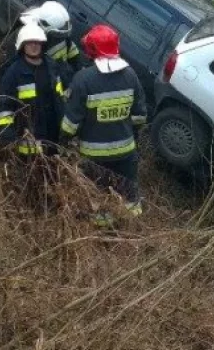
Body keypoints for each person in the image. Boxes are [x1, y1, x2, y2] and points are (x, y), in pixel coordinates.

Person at [60, 24, 148, 216]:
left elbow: (70, 124)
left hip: (94, 155)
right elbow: (140, 116)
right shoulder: (131, 75)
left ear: (91, 49)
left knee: (98, 199)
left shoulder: (83, 79)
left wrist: (62, 142)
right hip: (126, 153)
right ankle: (133, 232)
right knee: (130, 198)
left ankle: (104, 233)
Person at [0, 24, 66, 158]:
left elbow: (60, 98)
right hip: (29, 139)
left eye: (37, 42)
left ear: (43, 44)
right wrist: (8, 135)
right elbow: (4, 106)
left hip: (53, 135)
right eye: (29, 42)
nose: (34, 46)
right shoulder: (14, 72)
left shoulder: (52, 66)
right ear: (22, 45)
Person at [0, 1, 82, 89]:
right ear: (43, 27)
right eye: (56, 35)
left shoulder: (61, 35)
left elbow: (74, 55)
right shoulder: (23, 39)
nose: (59, 38)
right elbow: (11, 67)